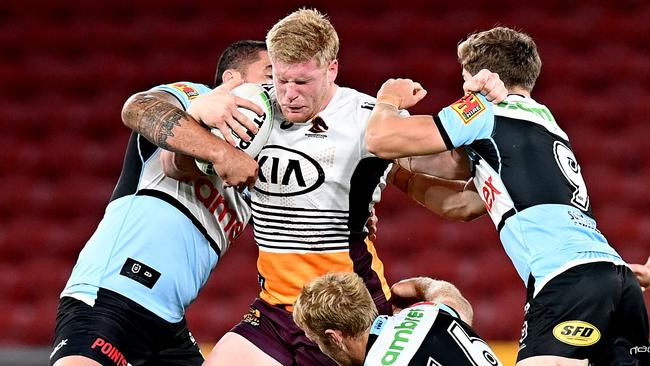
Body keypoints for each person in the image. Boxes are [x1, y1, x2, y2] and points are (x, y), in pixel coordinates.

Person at [202, 9, 507, 366]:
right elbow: (163, 133)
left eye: (302, 82)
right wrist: (200, 104)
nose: (289, 95)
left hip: (347, 315)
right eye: (281, 79)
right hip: (275, 309)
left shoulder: (366, 117)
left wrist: (486, 103)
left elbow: (451, 165)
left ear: (331, 69)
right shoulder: (254, 107)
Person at [365, 26, 650, 365]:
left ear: (482, 76)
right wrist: (397, 175)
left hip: (565, 279)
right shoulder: (544, 122)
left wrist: (388, 99)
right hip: (616, 278)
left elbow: (381, 139)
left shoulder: (485, 110)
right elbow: (462, 204)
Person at [49, 40, 271, 366]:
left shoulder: (265, 159)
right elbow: (137, 108)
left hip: (169, 322)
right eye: (269, 74)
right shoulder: (195, 98)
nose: (276, 86)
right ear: (232, 79)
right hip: (112, 297)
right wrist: (218, 150)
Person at [292, 272, 503, 366]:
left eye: (317, 341)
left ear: (335, 337)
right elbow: (456, 300)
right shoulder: (428, 312)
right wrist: (420, 284)